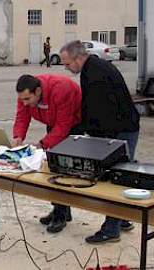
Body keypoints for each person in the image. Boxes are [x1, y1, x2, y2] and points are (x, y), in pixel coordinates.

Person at [60, 40, 140, 244]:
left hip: (121, 130)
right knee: (118, 176)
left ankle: (111, 229)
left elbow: (98, 111)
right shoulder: (92, 68)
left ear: (78, 58)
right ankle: (122, 220)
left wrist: (83, 134)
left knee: (114, 178)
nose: (66, 68)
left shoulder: (95, 73)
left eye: (67, 64)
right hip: (120, 127)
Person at [12, 74, 82, 233]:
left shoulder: (61, 90)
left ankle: (61, 214)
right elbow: (22, 116)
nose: (24, 102)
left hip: (74, 124)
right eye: (22, 99)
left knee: (62, 170)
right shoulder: (25, 93)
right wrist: (18, 136)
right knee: (52, 166)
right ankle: (61, 209)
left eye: (27, 99)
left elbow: (63, 126)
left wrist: (42, 144)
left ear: (37, 91)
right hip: (54, 123)